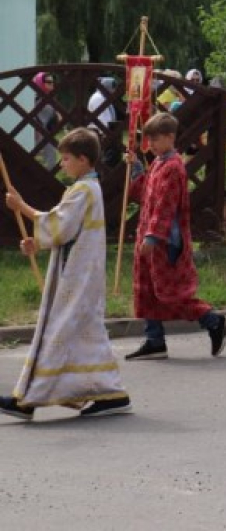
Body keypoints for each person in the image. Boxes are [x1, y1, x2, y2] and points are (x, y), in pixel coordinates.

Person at [1, 129, 132, 420]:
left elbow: (59, 224)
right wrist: (37, 243)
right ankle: (111, 393)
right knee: (84, 335)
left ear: (83, 159)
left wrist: (21, 207)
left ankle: (29, 400)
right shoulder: (87, 188)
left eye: (67, 158)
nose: (62, 164)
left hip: (78, 277)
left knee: (58, 332)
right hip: (79, 273)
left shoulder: (84, 190)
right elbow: (68, 231)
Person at [122, 113, 226, 361]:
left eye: (155, 139)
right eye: (149, 139)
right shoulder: (158, 163)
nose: (151, 144)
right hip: (150, 235)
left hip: (165, 241)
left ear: (170, 137)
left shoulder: (173, 167)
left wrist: (152, 236)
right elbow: (144, 192)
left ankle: (213, 321)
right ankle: (154, 340)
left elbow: (165, 206)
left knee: (169, 293)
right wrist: (136, 167)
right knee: (147, 288)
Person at [31, 71, 59, 169]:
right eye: (48, 82)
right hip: (39, 137)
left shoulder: (48, 99)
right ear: (40, 83)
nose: (52, 84)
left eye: (52, 82)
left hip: (46, 136)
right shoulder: (40, 101)